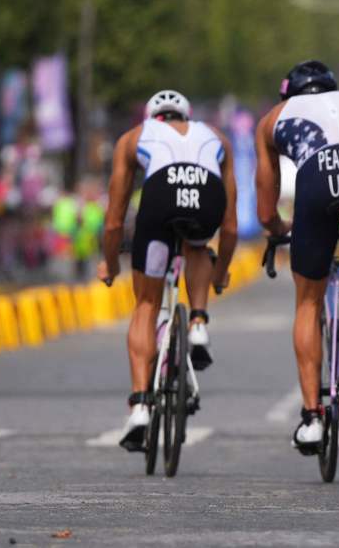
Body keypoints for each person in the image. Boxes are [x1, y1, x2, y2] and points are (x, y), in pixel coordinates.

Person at [255, 60, 339, 454]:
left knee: (308, 302)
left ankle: (313, 417)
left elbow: (266, 203)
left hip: (317, 177)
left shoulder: (273, 118)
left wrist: (276, 227)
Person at [98, 90, 237, 451]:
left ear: (151, 116)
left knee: (145, 305)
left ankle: (141, 404)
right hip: (207, 196)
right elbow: (232, 226)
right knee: (196, 243)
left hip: (160, 196)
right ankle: (199, 323)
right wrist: (221, 271)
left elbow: (114, 220)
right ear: (186, 116)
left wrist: (110, 263)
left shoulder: (134, 137)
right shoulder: (216, 136)